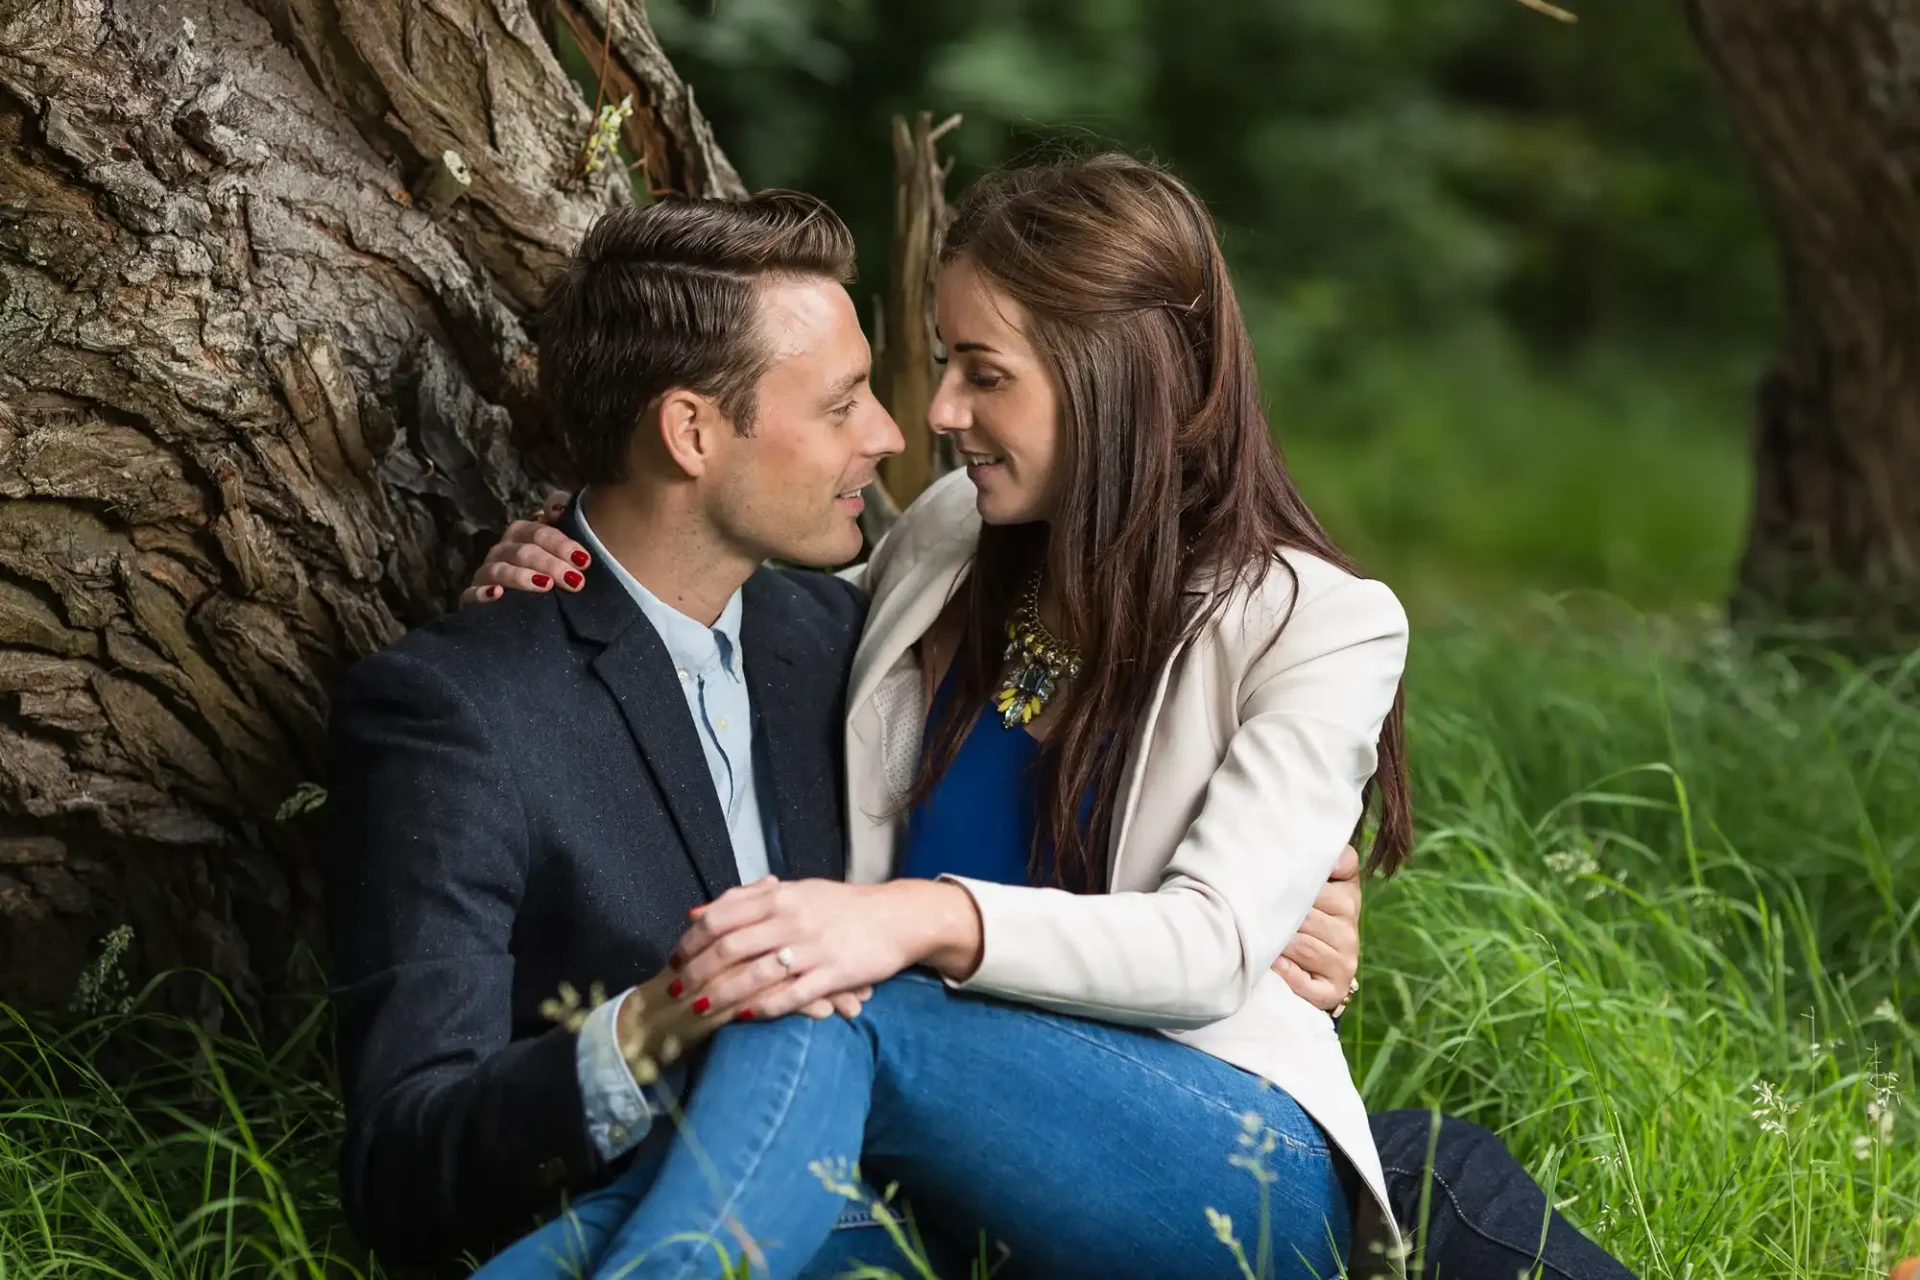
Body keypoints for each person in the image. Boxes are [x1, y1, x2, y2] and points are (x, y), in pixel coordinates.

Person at [453, 157, 1638, 1280]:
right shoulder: (951, 538)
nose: (941, 415)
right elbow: (737, 615)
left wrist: (911, 916)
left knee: (830, 996)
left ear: (1113, 373)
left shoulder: (1315, 623)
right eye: (941, 365)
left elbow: (1214, 943)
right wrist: (582, 568)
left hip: (1210, 1160)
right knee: (676, 1186)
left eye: (983, 371)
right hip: (925, 1147)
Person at [328, 181, 1373, 1279]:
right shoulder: (472, 706)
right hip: (859, 1194)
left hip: (1146, 1150)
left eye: (973, 373)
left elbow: (1200, 893)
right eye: (844, 404)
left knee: (817, 1003)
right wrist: (650, 1024)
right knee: (755, 1104)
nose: (903, 429)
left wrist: (1289, 895)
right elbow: (403, 1157)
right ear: (688, 430)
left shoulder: (847, 632)